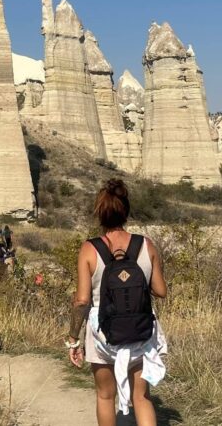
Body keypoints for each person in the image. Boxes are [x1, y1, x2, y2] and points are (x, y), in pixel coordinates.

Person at [67, 179, 168, 426]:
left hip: (103, 334)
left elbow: (82, 300)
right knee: (142, 397)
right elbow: (161, 291)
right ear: (126, 211)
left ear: (100, 213)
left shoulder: (89, 249)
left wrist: (73, 339)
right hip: (140, 330)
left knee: (105, 395)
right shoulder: (145, 244)